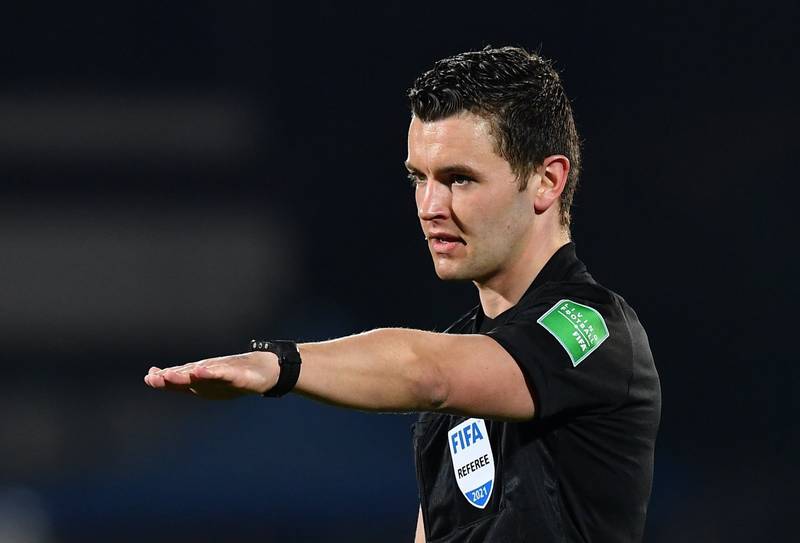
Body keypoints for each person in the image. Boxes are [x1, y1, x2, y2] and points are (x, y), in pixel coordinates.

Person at [144, 46, 661, 542]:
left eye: (459, 179)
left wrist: (280, 364)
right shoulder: (453, 381)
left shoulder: (594, 330)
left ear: (546, 181)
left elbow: (427, 372)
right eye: (419, 178)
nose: (430, 206)